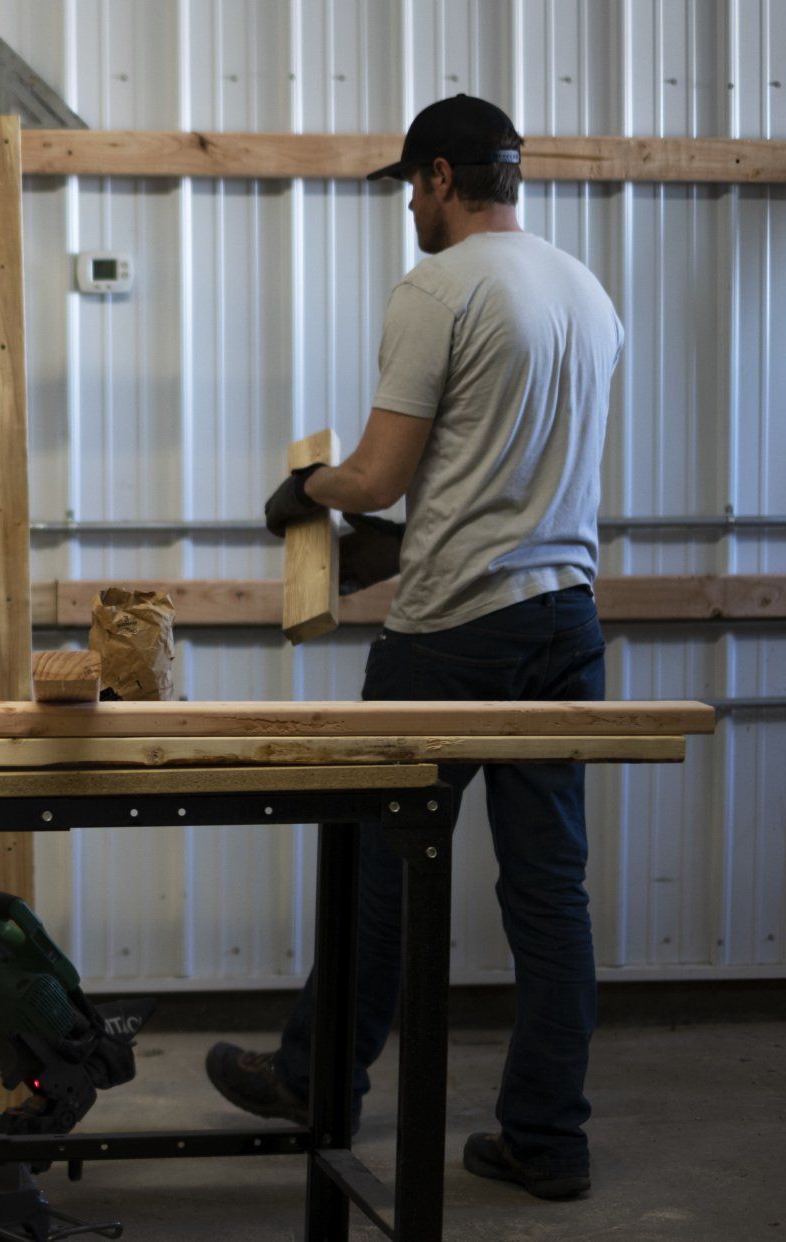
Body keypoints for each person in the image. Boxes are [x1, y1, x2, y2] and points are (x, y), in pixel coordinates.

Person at [215, 95, 624, 1202]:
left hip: (449, 633)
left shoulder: (438, 288)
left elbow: (380, 475)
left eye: (411, 186)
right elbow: (505, 475)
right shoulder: (586, 293)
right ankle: (549, 1138)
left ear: (444, 178)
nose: (409, 207)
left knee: (383, 870)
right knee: (552, 894)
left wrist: (305, 492)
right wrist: (409, 528)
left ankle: (318, 1083)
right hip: (566, 621)